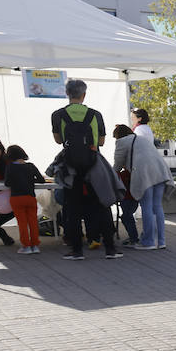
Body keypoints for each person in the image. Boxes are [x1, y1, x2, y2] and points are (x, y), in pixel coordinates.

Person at [52, 78, 119, 260]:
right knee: (102, 205)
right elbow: (102, 141)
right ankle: (111, 249)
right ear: (84, 95)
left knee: (72, 208)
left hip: (70, 167)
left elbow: (58, 140)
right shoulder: (95, 115)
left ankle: (76, 250)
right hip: (93, 164)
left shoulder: (57, 115)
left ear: (67, 94)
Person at [112, 120, 173, 250]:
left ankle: (149, 242)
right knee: (157, 207)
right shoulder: (142, 139)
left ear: (118, 136)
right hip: (161, 172)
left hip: (144, 174)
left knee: (147, 207)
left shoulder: (122, 142)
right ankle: (161, 241)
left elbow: (116, 166)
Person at [2, 144, 43, 254]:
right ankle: (35, 245)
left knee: (22, 223)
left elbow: (7, 183)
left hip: (17, 198)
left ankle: (26, 246)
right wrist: (29, 181)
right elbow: (41, 180)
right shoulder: (31, 166)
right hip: (30, 197)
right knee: (33, 222)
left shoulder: (10, 167)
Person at [110, 125, 144, 246]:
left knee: (126, 216)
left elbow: (116, 168)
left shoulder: (124, 174)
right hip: (138, 189)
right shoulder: (139, 142)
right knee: (131, 214)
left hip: (127, 195)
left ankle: (134, 238)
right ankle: (137, 237)